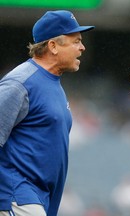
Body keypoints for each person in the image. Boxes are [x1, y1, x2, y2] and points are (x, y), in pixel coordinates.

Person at [0, 10, 94, 216]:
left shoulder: (52, 83)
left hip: (40, 197)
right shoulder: (19, 83)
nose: (82, 47)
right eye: (76, 41)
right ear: (53, 46)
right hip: (17, 195)